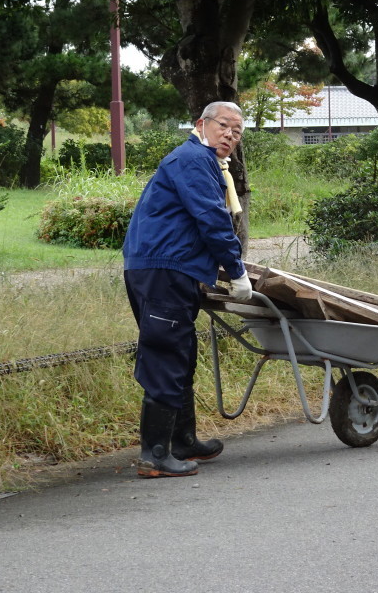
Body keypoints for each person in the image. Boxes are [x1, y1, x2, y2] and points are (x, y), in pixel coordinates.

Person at [122, 101, 252, 478]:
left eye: (237, 131)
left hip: (170, 267)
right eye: (224, 126)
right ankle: (156, 454)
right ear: (202, 124)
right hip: (163, 269)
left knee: (182, 351)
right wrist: (237, 270)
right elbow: (212, 218)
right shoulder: (193, 160)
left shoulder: (205, 162)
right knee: (166, 353)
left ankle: (183, 441)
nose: (230, 135)